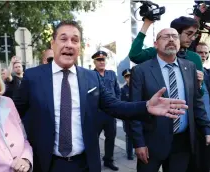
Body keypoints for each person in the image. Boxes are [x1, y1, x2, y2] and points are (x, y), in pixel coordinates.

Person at [13, 21, 188, 172]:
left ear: (79, 48)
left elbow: (114, 105)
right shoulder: (33, 77)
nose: (69, 44)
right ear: (53, 44)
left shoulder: (91, 77)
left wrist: (145, 106)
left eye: (75, 40)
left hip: (85, 164)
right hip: (46, 163)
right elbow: (14, 116)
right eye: (63, 39)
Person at [130, 28, 210, 172]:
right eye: (166, 37)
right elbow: (134, 110)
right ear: (155, 44)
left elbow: (196, 102)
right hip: (151, 143)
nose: (171, 39)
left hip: (182, 142)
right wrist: (138, 143)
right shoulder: (141, 71)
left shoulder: (189, 67)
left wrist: (206, 129)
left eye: (175, 37)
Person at [128, 17, 205, 94]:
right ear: (176, 33)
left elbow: (200, 94)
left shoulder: (195, 58)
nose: (193, 38)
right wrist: (146, 24)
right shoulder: (158, 51)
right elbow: (135, 55)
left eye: (195, 34)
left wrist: (200, 84)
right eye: (189, 34)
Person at [92, 50, 120, 171]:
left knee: (111, 138)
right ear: (94, 62)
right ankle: (93, 161)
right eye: (99, 60)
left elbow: (117, 91)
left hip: (110, 113)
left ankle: (108, 160)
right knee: (93, 139)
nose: (101, 62)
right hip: (96, 114)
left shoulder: (112, 74)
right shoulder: (90, 75)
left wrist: (117, 105)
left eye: (103, 60)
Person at [195, 42, 210, 172]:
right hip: (194, 125)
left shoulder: (207, 73)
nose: (203, 55)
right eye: (200, 52)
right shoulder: (186, 71)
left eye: (206, 53)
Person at [121, 69, 134, 160]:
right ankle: (129, 154)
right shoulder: (122, 90)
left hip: (138, 116)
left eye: (130, 76)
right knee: (129, 135)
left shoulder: (137, 87)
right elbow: (121, 103)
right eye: (127, 77)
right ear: (125, 78)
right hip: (128, 117)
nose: (129, 78)